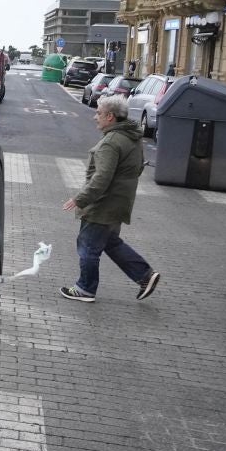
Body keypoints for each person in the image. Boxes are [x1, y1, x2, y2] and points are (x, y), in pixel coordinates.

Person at [60, 95, 160, 303]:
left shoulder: (111, 142)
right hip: (120, 202)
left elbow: (101, 178)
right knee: (110, 243)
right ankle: (145, 275)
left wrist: (80, 198)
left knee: (87, 246)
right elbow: (138, 168)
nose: (95, 117)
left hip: (102, 205)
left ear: (110, 116)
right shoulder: (132, 138)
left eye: (98, 113)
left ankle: (85, 288)